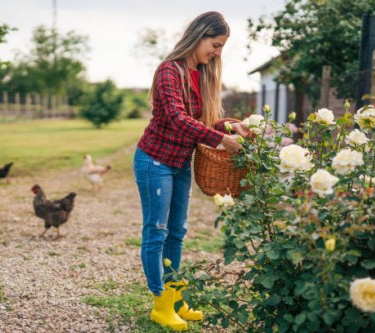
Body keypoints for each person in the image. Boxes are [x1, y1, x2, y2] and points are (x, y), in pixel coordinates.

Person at [132, 11, 250, 331]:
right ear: (198, 37)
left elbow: (203, 121)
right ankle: (160, 305)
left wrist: (230, 126)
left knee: (177, 233)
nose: (217, 52)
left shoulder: (202, 75)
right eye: (215, 44)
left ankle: (176, 298)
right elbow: (177, 118)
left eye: (222, 47)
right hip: (154, 161)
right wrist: (222, 139)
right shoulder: (169, 71)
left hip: (180, 164)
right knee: (156, 231)